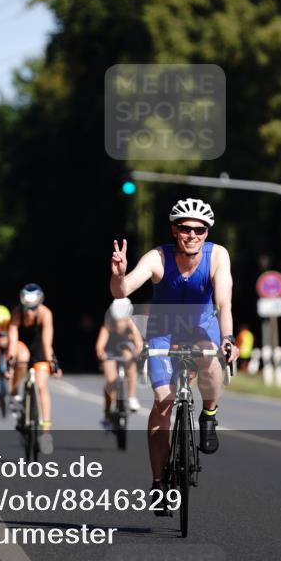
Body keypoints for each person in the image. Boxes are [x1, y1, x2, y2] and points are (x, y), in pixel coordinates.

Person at [109, 197, 239, 507]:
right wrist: (118, 273)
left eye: (200, 229)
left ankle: (209, 414)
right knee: (162, 403)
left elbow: (224, 302)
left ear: (207, 232)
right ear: (174, 230)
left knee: (210, 356)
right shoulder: (158, 258)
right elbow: (122, 292)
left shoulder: (218, 255)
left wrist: (228, 338)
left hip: (202, 329)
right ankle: (157, 482)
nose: (192, 234)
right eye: (185, 228)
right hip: (163, 332)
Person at [6, 283, 62, 455]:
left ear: (39, 304)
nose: (29, 312)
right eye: (26, 308)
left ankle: (45, 432)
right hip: (22, 346)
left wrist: (53, 363)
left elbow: (46, 342)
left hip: (39, 348)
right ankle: (15, 393)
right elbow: (12, 340)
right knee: (21, 358)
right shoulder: (16, 314)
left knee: (42, 385)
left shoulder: (45, 314)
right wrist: (10, 362)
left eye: (33, 308)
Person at [95, 297, 143, 427]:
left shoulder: (129, 323)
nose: (119, 324)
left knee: (129, 360)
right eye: (117, 320)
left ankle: (132, 397)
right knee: (111, 380)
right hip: (110, 350)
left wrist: (138, 351)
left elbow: (138, 340)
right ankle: (108, 410)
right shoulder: (108, 323)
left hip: (124, 347)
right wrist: (101, 354)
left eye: (122, 320)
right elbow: (100, 344)